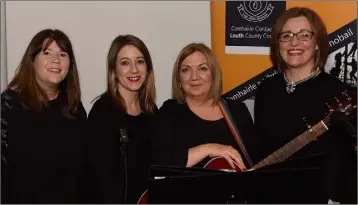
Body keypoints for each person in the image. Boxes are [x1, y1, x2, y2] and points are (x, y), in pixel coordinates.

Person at [254, 7, 357, 203]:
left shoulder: (341, 94)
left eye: (304, 35)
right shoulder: (266, 90)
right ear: (278, 44)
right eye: (286, 36)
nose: (294, 42)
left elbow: (345, 162)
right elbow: (261, 149)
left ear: (317, 43)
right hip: (270, 196)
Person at [1, 29, 87, 203]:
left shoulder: (74, 109)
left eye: (62, 54)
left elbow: (83, 175)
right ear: (32, 60)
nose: (55, 60)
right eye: (46, 52)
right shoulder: (8, 107)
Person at [152, 43, 258, 171]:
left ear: (214, 74)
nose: (194, 77)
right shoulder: (170, 111)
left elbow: (256, 161)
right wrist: (209, 148)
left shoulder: (237, 110)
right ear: (179, 79)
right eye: (186, 70)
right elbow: (160, 162)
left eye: (202, 68)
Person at [84, 34, 157, 203]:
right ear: (114, 71)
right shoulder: (102, 112)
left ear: (147, 68)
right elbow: (99, 182)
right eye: (125, 63)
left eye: (140, 61)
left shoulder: (151, 111)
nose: (134, 69)